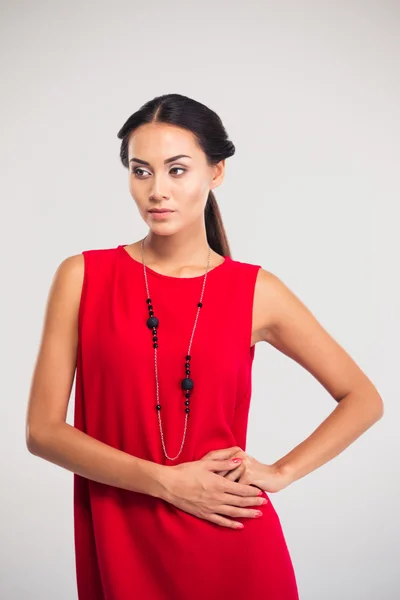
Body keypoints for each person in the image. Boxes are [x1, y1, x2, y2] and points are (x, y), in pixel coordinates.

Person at [26, 93, 384, 600]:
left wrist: (279, 473)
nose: (157, 190)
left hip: (233, 542)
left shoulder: (256, 291)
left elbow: (363, 399)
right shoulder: (83, 277)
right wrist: (165, 481)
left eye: (177, 170)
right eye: (141, 171)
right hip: (125, 541)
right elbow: (42, 431)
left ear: (215, 173)